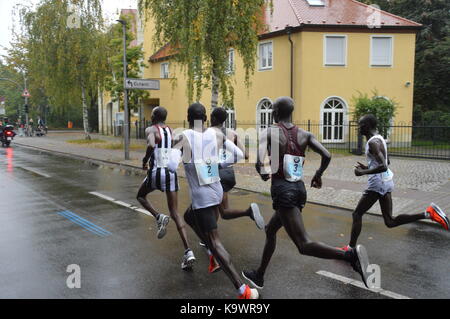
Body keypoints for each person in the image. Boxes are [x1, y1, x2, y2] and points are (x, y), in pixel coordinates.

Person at [242, 97, 372, 291]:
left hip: (283, 191)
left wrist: (263, 174)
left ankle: (349, 257)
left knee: (304, 245)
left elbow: (260, 162)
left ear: (276, 113)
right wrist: (318, 175)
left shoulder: (269, 132)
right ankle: (259, 275)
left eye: (272, 111)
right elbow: (327, 155)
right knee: (270, 230)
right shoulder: (304, 134)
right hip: (298, 190)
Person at [172, 103, 259, 299]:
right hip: (217, 190)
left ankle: (242, 289)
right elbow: (238, 155)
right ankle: (212, 255)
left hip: (203, 197)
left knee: (215, 241)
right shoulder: (217, 134)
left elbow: (170, 165)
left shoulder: (183, 136)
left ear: (188, 118)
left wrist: (182, 159)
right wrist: (219, 163)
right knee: (188, 216)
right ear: (204, 118)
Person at [341, 114, 449, 250]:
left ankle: (350, 249)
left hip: (377, 184)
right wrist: (368, 167)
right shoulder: (380, 139)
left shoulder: (372, 143)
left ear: (367, 126)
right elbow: (387, 161)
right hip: (386, 182)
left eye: (360, 125)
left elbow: (384, 166)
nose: (358, 128)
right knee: (390, 221)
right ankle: (428, 213)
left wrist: (362, 172)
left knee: (357, 214)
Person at [204, 107, 265, 273]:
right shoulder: (232, 133)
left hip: (215, 172)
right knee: (218, 207)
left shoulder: (207, 133)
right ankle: (209, 236)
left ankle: (247, 213)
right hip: (229, 173)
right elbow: (245, 155)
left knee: (220, 210)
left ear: (213, 118)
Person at [137, 107, 196, 271]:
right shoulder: (171, 131)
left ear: (154, 116)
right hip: (170, 174)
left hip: (156, 173)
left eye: (152, 114)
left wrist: (144, 161)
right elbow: (178, 150)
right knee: (176, 213)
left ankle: (158, 217)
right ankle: (188, 251)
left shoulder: (151, 129)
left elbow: (150, 145)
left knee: (141, 196)